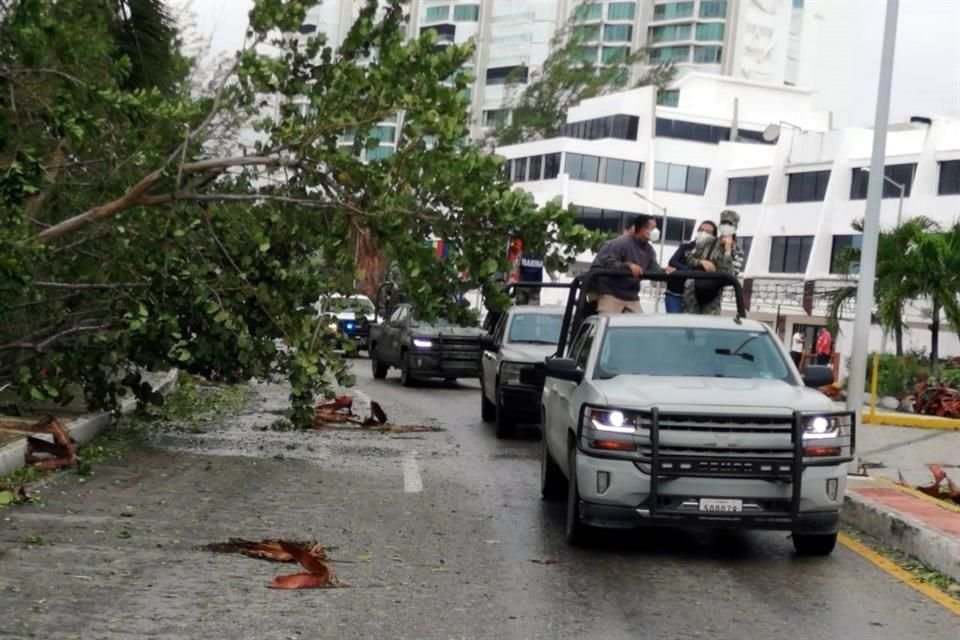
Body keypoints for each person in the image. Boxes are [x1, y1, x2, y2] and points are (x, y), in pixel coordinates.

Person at [589, 214, 673, 314]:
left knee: (637, 323)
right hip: (611, 293)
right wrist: (628, 266)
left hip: (631, 296)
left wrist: (665, 271)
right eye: (653, 228)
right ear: (642, 228)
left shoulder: (649, 250)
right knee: (607, 321)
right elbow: (608, 262)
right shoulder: (621, 242)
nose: (656, 231)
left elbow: (654, 269)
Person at [682, 210, 744, 315]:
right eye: (723, 223)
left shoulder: (737, 251)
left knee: (709, 322)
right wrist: (701, 262)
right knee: (688, 322)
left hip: (713, 296)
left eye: (729, 224)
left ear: (735, 227)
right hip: (692, 292)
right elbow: (688, 257)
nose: (726, 226)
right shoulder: (708, 242)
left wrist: (728, 251)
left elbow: (730, 275)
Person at [664, 220, 718, 314]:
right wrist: (691, 270)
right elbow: (672, 261)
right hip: (676, 293)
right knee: (674, 321)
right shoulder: (686, 247)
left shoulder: (714, 254)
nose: (703, 233)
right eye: (701, 230)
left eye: (708, 232)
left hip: (697, 298)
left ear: (714, 236)